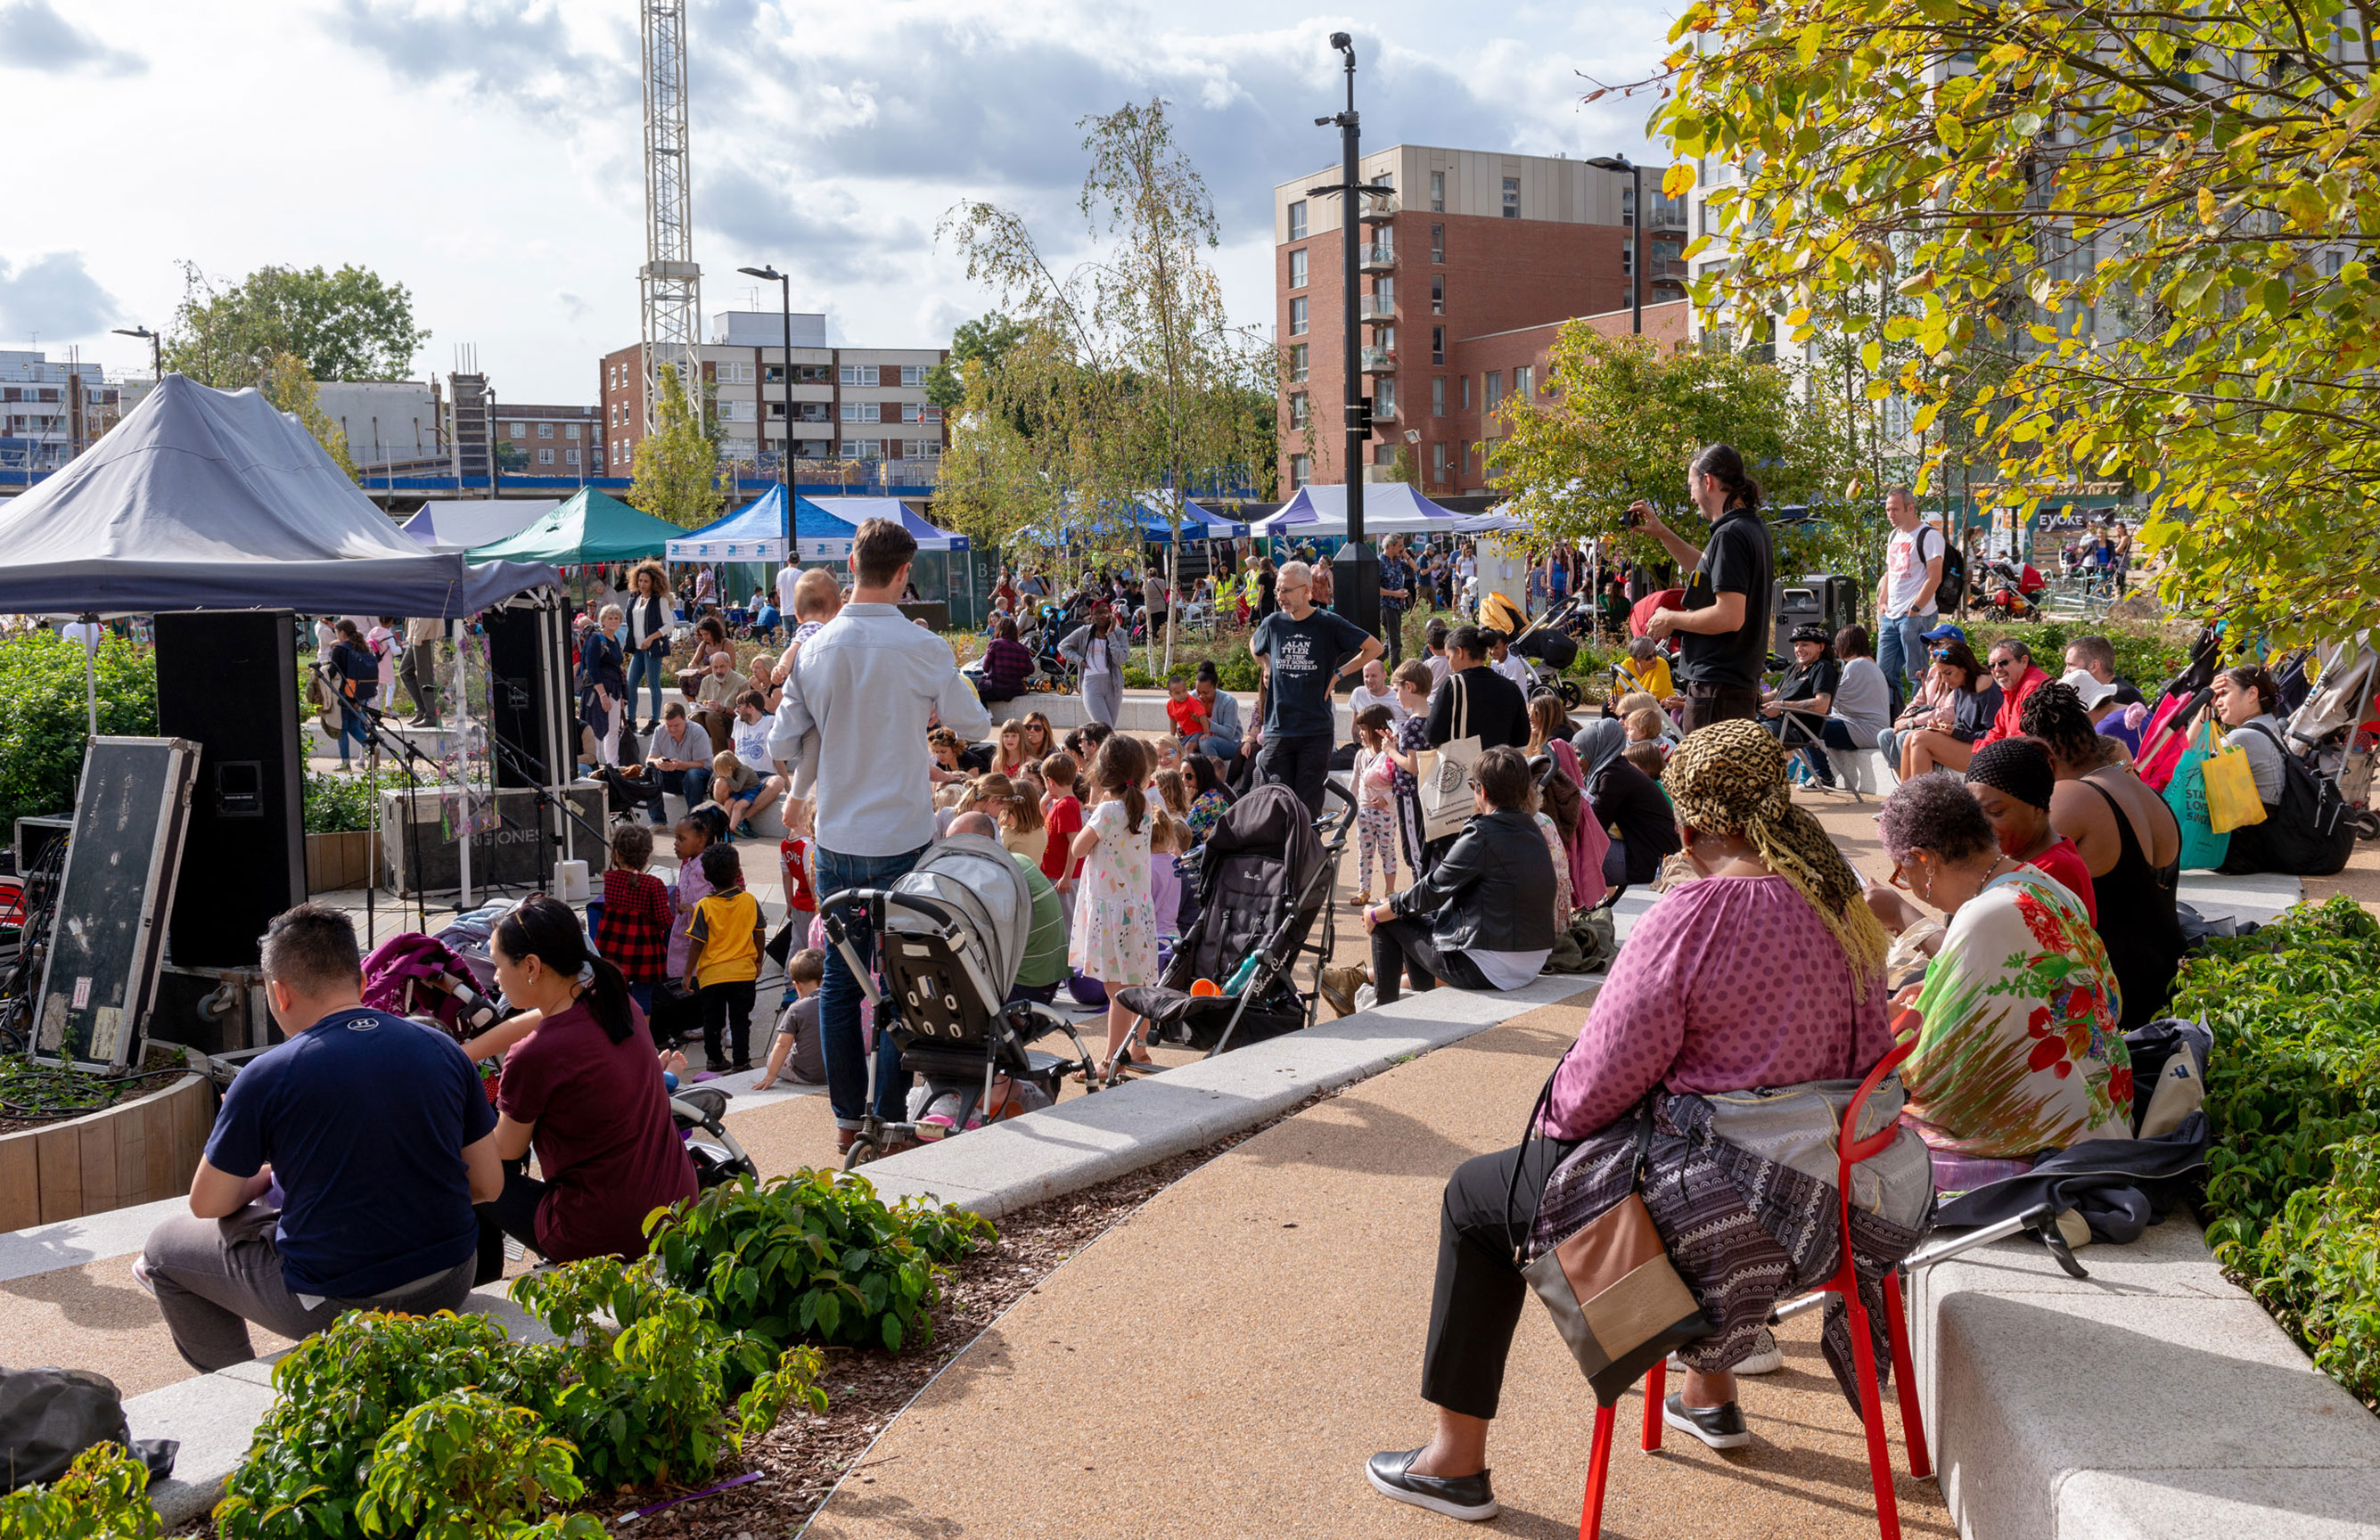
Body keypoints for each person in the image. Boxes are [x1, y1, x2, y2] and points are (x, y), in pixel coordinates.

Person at [1363, 721, 1924, 1519]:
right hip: (1829, 1205)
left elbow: (1593, 1089)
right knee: (1719, 1135)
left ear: (1686, 823)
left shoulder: (1693, 914)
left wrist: (1565, 1119)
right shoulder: (1840, 902)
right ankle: (1708, 1394)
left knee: (1477, 1196)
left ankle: (1454, 1462)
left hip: (1733, 1214)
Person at [138, 905, 498, 1373]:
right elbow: (489, 1185)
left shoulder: (266, 1076)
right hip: (451, 1278)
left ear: (279, 993)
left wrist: (263, 1170)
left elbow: (207, 1205)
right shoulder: (443, 1048)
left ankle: (235, 1388)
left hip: (338, 1304)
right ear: (362, 981)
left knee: (163, 1251)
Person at [767, 518, 991, 1152]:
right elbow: (971, 720)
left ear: (852, 565)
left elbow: (783, 740)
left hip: (838, 835)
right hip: (902, 834)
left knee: (841, 982)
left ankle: (845, 1117)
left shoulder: (815, 647)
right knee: (901, 980)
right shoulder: (923, 648)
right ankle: (891, 1113)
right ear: (900, 574)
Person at [1873, 774, 2128, 1193]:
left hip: (2061, 1134)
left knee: (1872, 1122)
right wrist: (1935, 994)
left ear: (1924, 859)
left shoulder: (1983, 916)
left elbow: (1938, 1068)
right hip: (2105, 1106)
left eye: (1904, 873)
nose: (1912, 889)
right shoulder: (2043, 884)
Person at [473, 897, 699, 1281]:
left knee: (469, 1172)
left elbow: (502, 1154)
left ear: (531, 966)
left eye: (496, 965)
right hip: (675, 1209)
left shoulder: (532, 1056)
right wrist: (466, 1052)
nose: (494, 978)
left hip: (605, 1231)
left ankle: (484, 1290)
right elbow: (541, 1019)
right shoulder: (617, 1002)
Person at [2024, 681, 2184, 1029]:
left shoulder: (2072, 797)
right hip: (2169, 980)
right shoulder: (2143, 791)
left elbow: (2009, 880)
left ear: (2044, 756)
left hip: (2114, 996)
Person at [1361, 745, 1555, 1004]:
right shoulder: (1533, 827)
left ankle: (1382, 1010)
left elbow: (1433, 889)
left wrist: (1377, 913)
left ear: (1482, 791)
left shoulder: (1482, 833)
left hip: (1491, 967)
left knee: (1388, 915)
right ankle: (1415, 992)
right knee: (1409, 911)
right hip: (1532, 960)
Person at [1637, 444, 1775, 729]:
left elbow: (1729, 616)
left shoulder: (1730, 534)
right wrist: (1663, 534)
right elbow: (1710, 569)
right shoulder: (1750, 527)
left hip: (1717, 690)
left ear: (1708, 481)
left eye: (1691, 485)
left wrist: (1671, 618)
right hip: (1730, 689)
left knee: (1703, 775)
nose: (1691, 495)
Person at [1248, 559, 1382, 815]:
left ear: (1307, 590)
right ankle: (1279, 855)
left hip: (1315, 731)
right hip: (1278, 730)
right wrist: (1266, 665)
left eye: (1287, 590)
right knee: (1275, 807)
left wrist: (1338, 675)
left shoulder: (1329, 623)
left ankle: (1308, 854)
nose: (1280, 596)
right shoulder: (1274, 623)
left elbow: (1375, 647)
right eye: (1278, 590)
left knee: (1308, 808)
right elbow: (1255, 645)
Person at [1069, 736, 1161, 1071]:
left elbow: (1078, 849)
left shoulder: (1107, 811)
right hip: (1137, 908)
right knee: (1137, 984)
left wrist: (1096, 803)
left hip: (1110, 911)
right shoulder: (1144, 807)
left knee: (1116, 992)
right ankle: (1138, 1050)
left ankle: (1111, 1058)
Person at [1965, 739, 2097, 922]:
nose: (1980, 825)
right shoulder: (2017, 855)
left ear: (2037, 808)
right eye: (1974, 812)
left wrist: (1912, 918)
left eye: (1996, 812)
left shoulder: (2053, 871)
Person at [1570, 717, 1680, 894]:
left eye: (1580, 754)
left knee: (1571, 853)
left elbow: (1594, 826)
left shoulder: (1613, 776)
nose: (1577, 761)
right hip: (1653, 854)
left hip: (1649, 862)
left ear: (1596, 750)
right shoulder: (1616, 770)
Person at [684, 843, 765, 1072]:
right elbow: (759, 933)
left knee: (713, 1021)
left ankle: (715, 1060)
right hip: (743, 973)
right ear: (738, 872)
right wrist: (758, 960)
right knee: (740, 1020)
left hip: (712, 975)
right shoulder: (749, 900)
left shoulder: (704, 906)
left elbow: (697, 943)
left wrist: (687, 973)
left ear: (707, 876)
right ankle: (741, 1062)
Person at [1880, 635, 1997, 780]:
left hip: (1987, 751)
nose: (1945, 680)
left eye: (1948, 673)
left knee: (1920, 739)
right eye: (1941, 675)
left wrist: (1957, 733)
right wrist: (1945, 729)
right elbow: (1963, 726)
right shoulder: (1961, 686)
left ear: (1964, 668)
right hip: (1968, 744)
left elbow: (1995, 734)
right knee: (1911, 736)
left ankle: (1916, 798)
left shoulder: (1984, 685)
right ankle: (1907, 796)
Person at [1874, 487, 1946, 708]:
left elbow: (1935, 578)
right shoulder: (1894, 535)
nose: (1890, 514)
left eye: (1895, 509)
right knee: (1883, 674)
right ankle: (1892, 720)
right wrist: (1882, 601)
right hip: (1891, 615)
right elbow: (1890, 572)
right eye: (1887, 509)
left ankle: (1919, 716)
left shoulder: (1929, 536)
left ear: (1911, 508)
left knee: (1918, 673)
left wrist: (1915, 609)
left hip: (1916, 616)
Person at [595, 823, 674, 1020]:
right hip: (644, 951)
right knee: (643, 998)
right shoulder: (654, 884)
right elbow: (664, 921)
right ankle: (642, 1040)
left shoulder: (611, 879)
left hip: (613, 948)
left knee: (614, 992)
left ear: (617, 854)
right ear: (647, 855)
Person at [1426, 626, 1531, 757]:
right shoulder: (1511, 688)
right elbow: (1522, 738)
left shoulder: (1453, 686)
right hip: (1499, 770)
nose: (1449, 664)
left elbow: (1432, 735)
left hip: (1466, 771)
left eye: (1449, 657)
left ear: (1460, 652)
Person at [1760, 623, 1841, 774]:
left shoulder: (1823, 668)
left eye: (1805, 644)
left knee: (1754, 736)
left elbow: (1822, 704)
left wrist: (1783, 706)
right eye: (1796, 645)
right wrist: (1753, 699)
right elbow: (1774, 694)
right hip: (1776, 722)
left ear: (1821, 647)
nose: (1799, 650)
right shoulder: (1794, 668)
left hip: (1796, 727)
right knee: (1737, 729)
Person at [752, 948, 827, 1091]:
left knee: (772, 1058)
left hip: (805, 1075)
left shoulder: (796, 1009)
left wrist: (770, 1075)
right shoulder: (838, 1003)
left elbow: (782, 1045)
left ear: (797, 985)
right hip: (835, 1072)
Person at [1352, 704, 1401, 905]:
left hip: (1386, 812)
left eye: (1364, 729)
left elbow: (1399, 784)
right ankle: (1364, 889)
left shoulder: (1392, 753)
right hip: (1364, 810)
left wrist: (1387, 799)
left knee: (1387, 850)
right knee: (1365, 852)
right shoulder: (1361, 755)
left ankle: (1390, 889)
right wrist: (1349, 802)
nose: (1361, 733)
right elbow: (1355, 781)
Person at [623, 560, 677, 732]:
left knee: (653, 684)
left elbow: (669, 625)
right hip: (638, 649)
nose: (643, 584)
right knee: (631, 684)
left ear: (654, 581)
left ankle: (654, 721)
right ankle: (631, 720)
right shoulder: (634, 599)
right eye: (640, 580)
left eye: (646, 581)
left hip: (653, 649)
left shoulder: (659, 600)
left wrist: (651, 639)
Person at [1060, 602, 1131, 725]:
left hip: (1113, 684)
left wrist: (1111, 634)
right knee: (1104, 727)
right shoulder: (1084, 632)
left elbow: (1120, 660)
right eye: (1097, 613)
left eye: (1104, 612)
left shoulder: (1119, 633)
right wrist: (1079, 659)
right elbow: (1062, 647)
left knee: (1109, 728)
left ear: (1110, 614)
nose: (1101, 616)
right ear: (1092, 615)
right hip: (1091, 683)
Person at [643, 703, 714, 825]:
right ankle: (658, 821)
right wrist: (658, 762)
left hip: (699, 779)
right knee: (649, 771)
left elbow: (702, 764)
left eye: (676, 725)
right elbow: (649, 759)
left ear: (685, 719)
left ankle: (694, 820)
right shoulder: (659, 731)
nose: (673, 729)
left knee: (693, 774)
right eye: (669, 726)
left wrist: (679, 765)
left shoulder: (698, 731)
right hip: (673, 776)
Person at [578, 605, 628, 769]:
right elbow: (592, 668)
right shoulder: (596, 639)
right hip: (597, 691)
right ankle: (594, 766)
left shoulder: (615, 640)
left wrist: (621, 696)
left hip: (614, 690)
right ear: (603, 621)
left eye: (616, 618)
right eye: (610, 618)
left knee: (613, 730)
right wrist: (602, 695)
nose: (613, 621)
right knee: (595, 729)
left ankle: (612, 765)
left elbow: (617, 669)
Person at [325, 620, 379, 771]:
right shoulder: (362, 647)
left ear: (342, 633)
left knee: (341, 728)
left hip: (345, 694)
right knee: (354, 726)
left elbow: (332, 672)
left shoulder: (340, 650)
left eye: (337, 633)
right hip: (361, 694)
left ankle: (345, 763)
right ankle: (370, 749)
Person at [1976, 637, 2049, 747]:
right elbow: (1998, 731)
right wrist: (1979, 753)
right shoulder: (2012, 688)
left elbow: (2029, 740)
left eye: (2003, 662)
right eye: (1992, 666)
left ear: (2024, 661)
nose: (1997, 669)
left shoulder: (2034, 688)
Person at [1185, 660, 1245, 769]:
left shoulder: (1228, 701)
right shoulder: (1193, 697)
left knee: (1206, 743)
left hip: (1230, 744)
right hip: (1200, 738)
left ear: (1215, 686)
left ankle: (1214, 778)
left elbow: (1229, 733)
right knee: (1180, 744)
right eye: (1198, 691)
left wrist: (1206, 723)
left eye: (1206, 693)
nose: (1201, 696)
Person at [691, 650, 749, 756]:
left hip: (732, 722)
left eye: (722, 666)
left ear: (729, 664)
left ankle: (722, 759)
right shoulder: (706, 681)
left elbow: (744, 712)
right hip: (711, 721)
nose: (719, 671)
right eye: (715, 667)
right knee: (693, 718)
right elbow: (700, 703)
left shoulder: (741, 681)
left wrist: (723, 709)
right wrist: (704, 706)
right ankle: (699, 757)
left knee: (712, 716)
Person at [978, 614, 1034, 708]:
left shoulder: (994, 644)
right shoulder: (1022, 648)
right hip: (1016, 689)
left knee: (979, 686)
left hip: (996, 688)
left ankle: (987, 713)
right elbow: (1030, 670)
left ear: (998, 629)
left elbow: (985, 668)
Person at [1378, 534, 1416, 667]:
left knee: (1391, 642)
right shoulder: (1380, 563)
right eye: (1400, 546)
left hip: (1397, 606)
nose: (1402, 548)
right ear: (1391, 546)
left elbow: (1415, 569)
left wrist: (1405, 554)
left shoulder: (1398, 561)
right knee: (1395, 643)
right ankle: (1397, 676)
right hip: (1386, 606)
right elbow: (1374, 588)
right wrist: (1394, 593)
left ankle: (1371, 664)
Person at [401, 615, 444, 727]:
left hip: (424, 635)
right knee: (405, 671)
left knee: (425, 677)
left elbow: (426, 611)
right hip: (416, 635)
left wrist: (418, 636)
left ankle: (431, 715)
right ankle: (422, 710)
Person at [1347, 657, 1407, 733]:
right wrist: (1357, 743)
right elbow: (1356, 726)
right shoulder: (1358, 693)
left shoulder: (1398, 694)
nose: (1369, 680)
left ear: (1384, 675)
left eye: (1374, 676)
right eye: (1366, 676)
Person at [1185, 753, 1233, 844]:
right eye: (1181, 775)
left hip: (1213, 853)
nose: (1184, 780)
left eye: (1188, 776)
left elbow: (1182, 833)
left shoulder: (1206, 802)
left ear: (1201, 775)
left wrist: (1187, 803)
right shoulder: (1217, 790)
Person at [1617, 635, 1674, 702]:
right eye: (1648, 657)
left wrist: (1625, 700)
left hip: (1660, 705)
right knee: (1607, 707)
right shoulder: (1626, 664)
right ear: (1636, 659)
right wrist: (1615, 700)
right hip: (1636, 702)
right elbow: (1618, 691)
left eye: (1655, 654)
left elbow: (1656, 695)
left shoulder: (1661, 664)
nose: (1653, 659)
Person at [1482, 629, 1535, 693]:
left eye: (1496, 648)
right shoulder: (1494, 663)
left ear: (1506, 646)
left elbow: (1508, 688)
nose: (1493, 652)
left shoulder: (1512, 663)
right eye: (1490, 648)